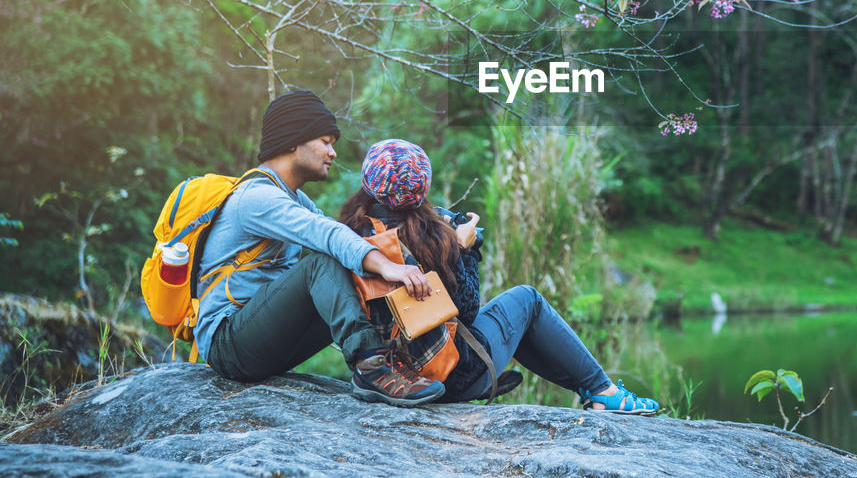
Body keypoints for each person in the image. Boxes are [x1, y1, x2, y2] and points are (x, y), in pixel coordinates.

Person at [338, 138, 660, 414]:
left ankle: (592, 392)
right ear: (422, 187)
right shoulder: (426, 240)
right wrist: (462, 249)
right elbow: (467, 311)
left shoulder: (352, 237)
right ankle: (602, 392)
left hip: (395, 377)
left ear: (369, 183)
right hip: (449, 378)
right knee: (526, 300)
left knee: (512, 318)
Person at [194, 89, 446, 407]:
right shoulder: (255, 198)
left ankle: (406, 363)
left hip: (266, 343)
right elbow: (325, 234)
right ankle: (372, 367)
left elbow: (343, 238)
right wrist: (389, 267)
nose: (333, 153)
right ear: (292, 141)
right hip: (229, 344)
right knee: (323, 263)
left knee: (350, 263)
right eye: (326, 142)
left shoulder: (293, 198)